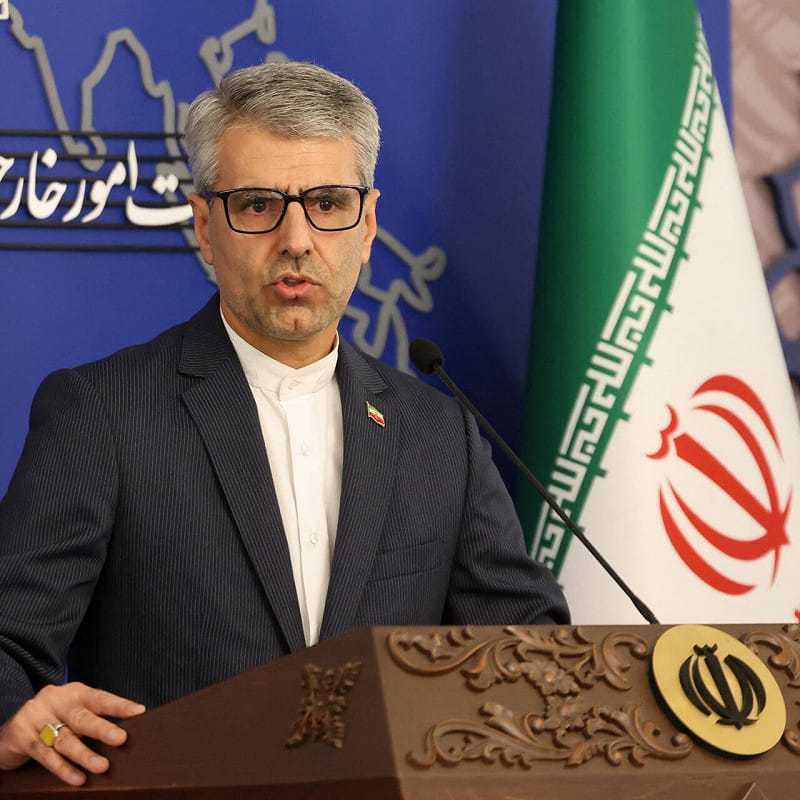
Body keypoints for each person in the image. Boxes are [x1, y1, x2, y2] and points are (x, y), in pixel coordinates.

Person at [0, 61, 569, 787]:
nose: (297, 239)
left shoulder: (439, 434)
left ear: (367, 225)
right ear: (205, 227)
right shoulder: (103, 413)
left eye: (328, 203)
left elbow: (529, 653)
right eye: (258, 205)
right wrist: (11, 715)